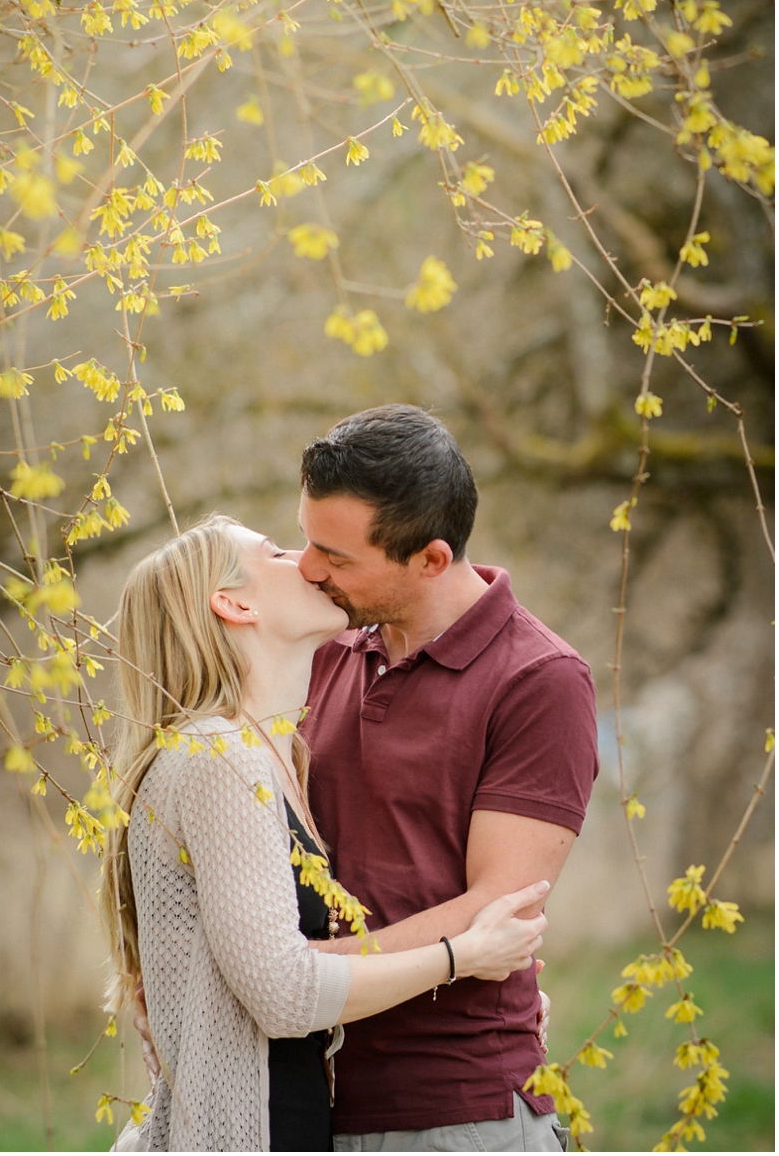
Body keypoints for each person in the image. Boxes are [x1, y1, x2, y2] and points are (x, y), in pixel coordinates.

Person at [102, 516, 551, 1153]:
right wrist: (464, 959)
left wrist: (490, 1002)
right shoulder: (216, 756)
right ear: (235, 603)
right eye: (277, 552)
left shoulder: (277, 754)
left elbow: (275, 957)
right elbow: (284, 994)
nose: (309, 563)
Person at [294, 404, 599, 1153]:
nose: (309, 568)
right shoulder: (324, 650)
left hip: (453, 1111)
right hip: (306, 1096)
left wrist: (303, 976)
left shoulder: (539, 680)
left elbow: (499, 904)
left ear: (430, 558)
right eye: (307, 540)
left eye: (336, 555)